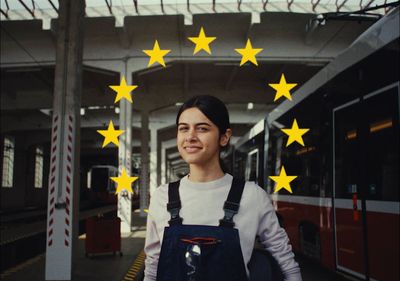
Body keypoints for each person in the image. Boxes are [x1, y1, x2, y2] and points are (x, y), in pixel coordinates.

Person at [144, 95, 302, 281]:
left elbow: (284, 260)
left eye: (202, 128)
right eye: (183, 128)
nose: (190, 137)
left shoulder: (252, 196)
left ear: (224, 137)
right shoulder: (162, 196)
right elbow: (153, 264)